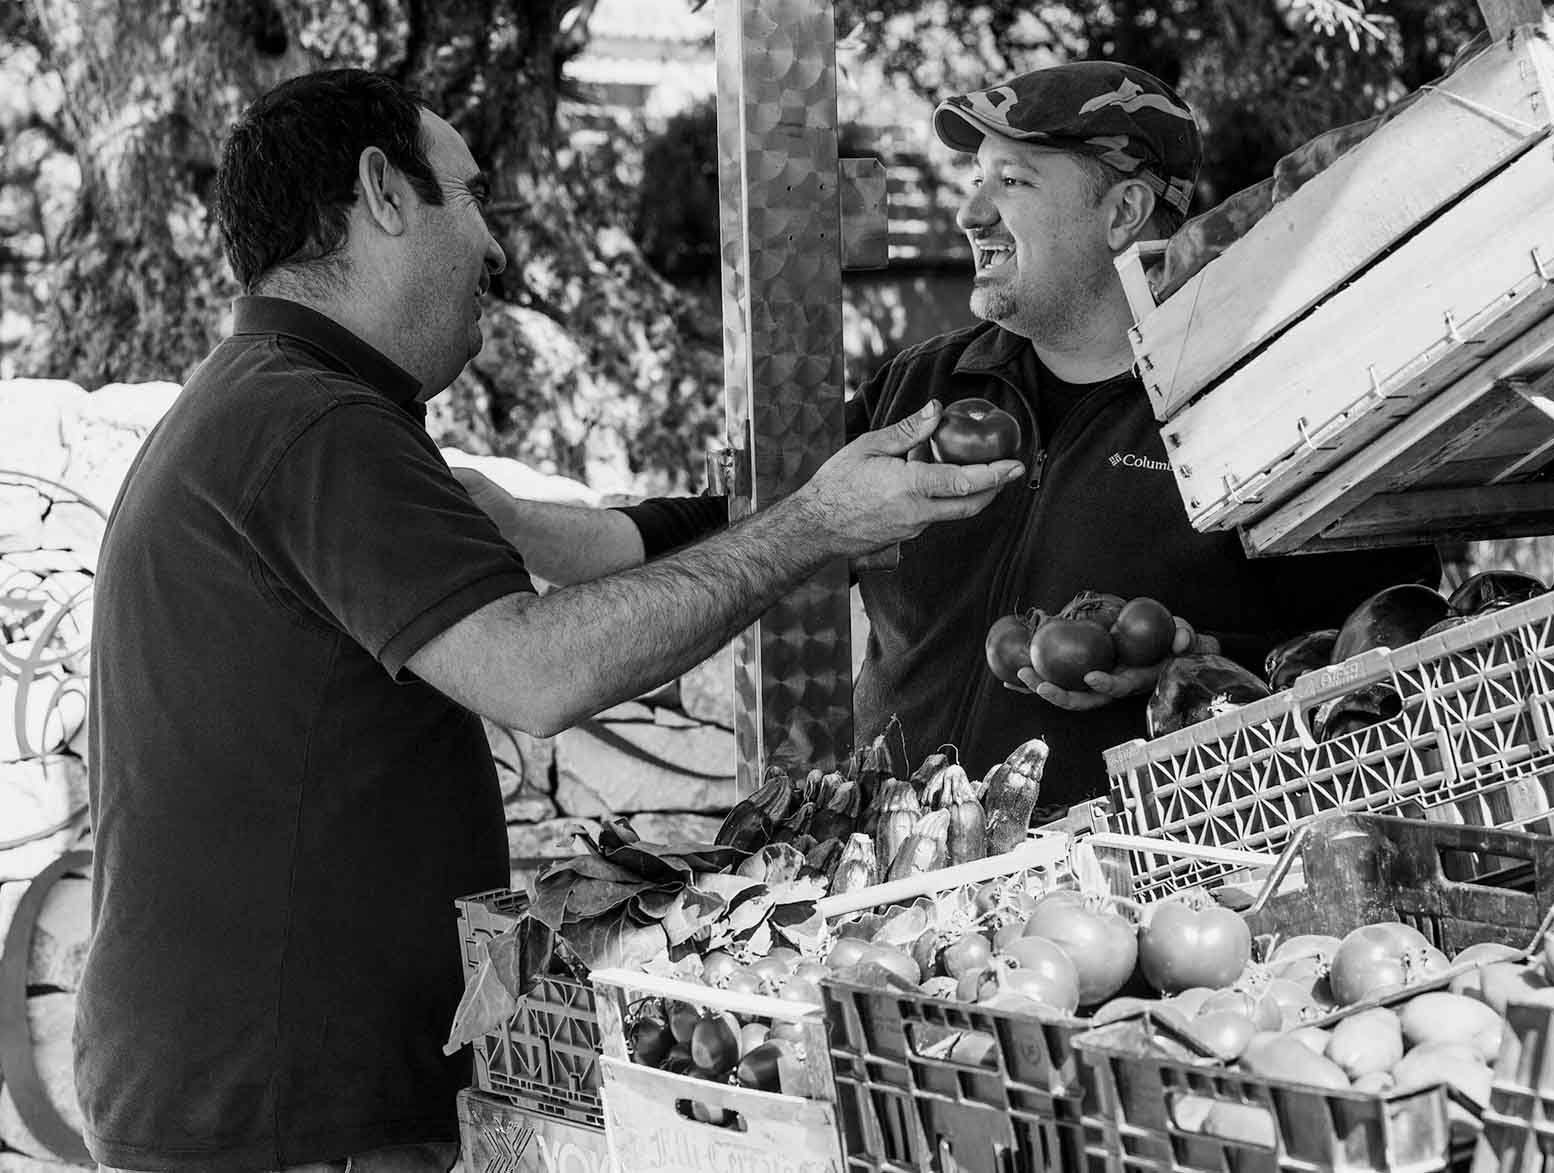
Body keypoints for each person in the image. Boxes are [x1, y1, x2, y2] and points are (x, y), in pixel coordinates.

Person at [75, 69, 1020, 1173]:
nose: (494, 247)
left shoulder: (266, 397)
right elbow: (536, 672)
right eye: (472, 197)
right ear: (381, 191)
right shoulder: (314, 420)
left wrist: (546, 524)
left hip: (247, 1089)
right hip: (286, 1112)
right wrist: (811, 524)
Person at [459, 60, 1437, 808]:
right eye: (972, 176)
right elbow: (734, 526)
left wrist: (1195, 660)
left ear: (1124, 210)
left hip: (1138, 914)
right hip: (908, 887)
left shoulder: (1261, 400)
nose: (968, 210)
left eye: (1008, 180)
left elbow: (1366, 673)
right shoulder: (924, 387)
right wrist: (520, 522)